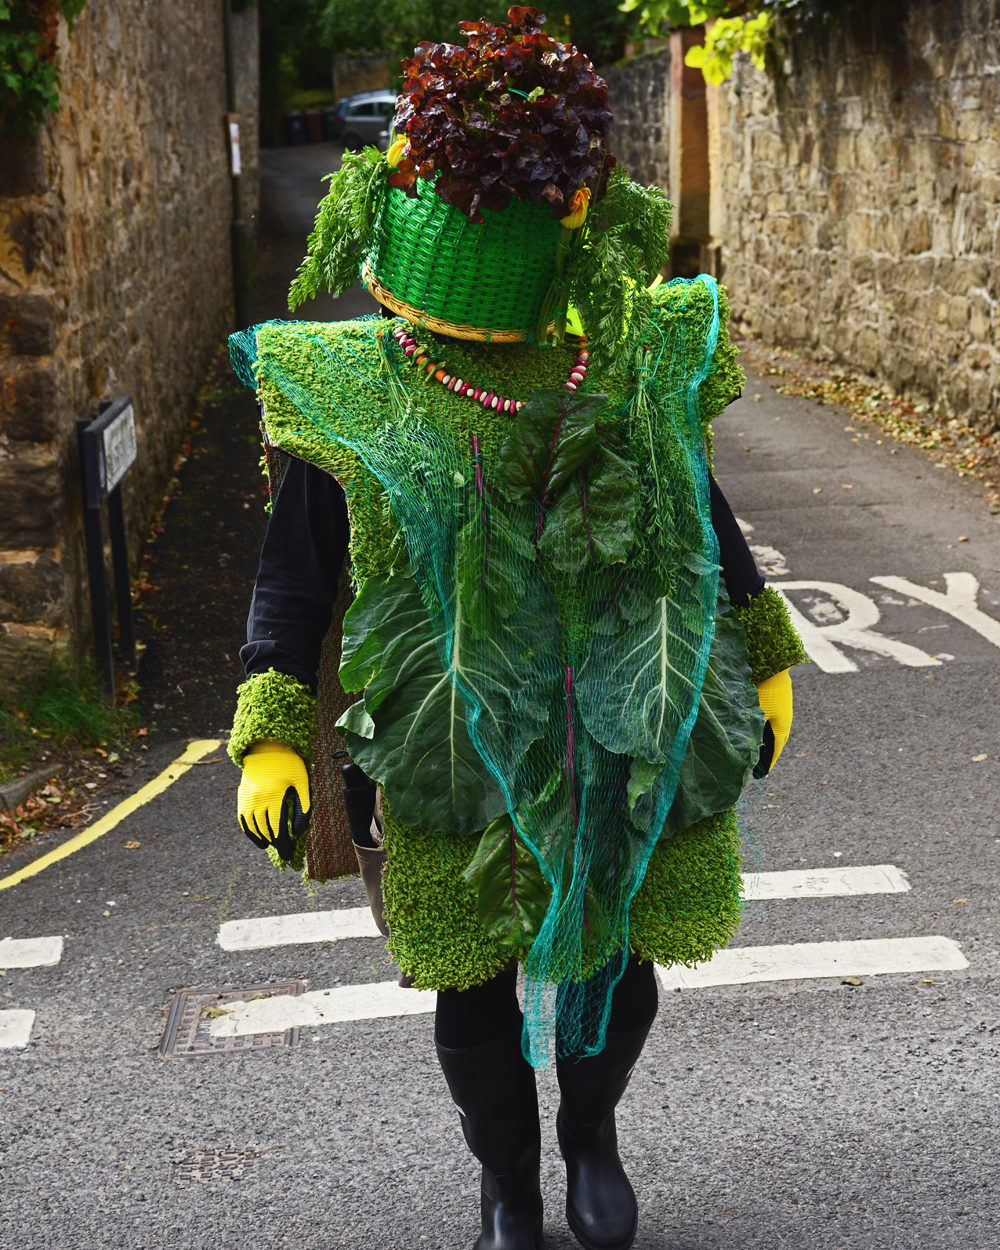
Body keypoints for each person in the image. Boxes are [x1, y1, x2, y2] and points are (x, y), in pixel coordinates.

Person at [227, 11, 804, 1250]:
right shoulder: (358, 391)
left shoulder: (618, 364)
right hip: (438, 733)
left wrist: (760, 649)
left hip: (611, 717)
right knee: (469, 969)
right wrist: (271, 727)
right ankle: (508, 1186)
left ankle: (590, 1134)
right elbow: (296, 574)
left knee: (617, 947)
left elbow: (694, 509)